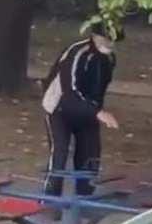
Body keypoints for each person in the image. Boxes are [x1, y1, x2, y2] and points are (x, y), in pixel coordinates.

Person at [42, 22, 122, 197]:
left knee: (90, 153)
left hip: (88, 110)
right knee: (60, 151)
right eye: (106, 39)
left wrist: (95, 111)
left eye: (112, 40)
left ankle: (84, 196)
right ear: (94, 37)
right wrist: (98, 113)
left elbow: (100, 88)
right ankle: (50, 200)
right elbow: (69, 93)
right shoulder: (76, 53)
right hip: (60, 108)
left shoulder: (109, 59)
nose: (109, 44)